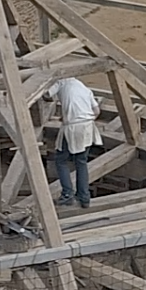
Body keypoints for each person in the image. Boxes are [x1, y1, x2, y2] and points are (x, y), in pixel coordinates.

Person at [49, 73, 100, 208]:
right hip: (88, 125)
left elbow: (46, 95)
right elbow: (96, 111)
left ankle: (67, 194)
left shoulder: (60, 82)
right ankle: (84, 198)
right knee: (81, 162)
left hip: (72, 127)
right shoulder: (83, 87)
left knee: (61, 160)